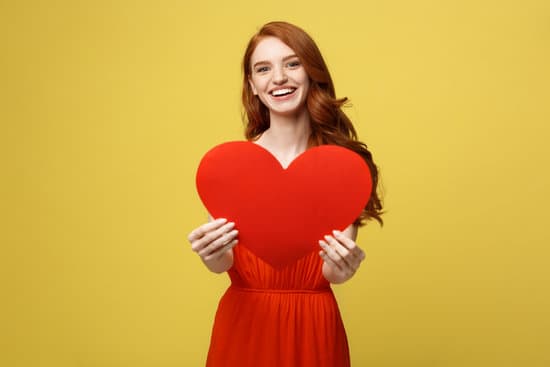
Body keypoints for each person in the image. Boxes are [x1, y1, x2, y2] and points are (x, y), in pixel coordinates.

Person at [187, 21, 383, 367]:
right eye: (263, 69)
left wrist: (345, 267)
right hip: (245, 326)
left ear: (311, 72)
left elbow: (331, 273)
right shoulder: (233, 166)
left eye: (292, 64)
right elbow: (223, 263)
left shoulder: (342, 167)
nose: (278, 78)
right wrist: (209, 255)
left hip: (314, 327)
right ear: (253, 85)